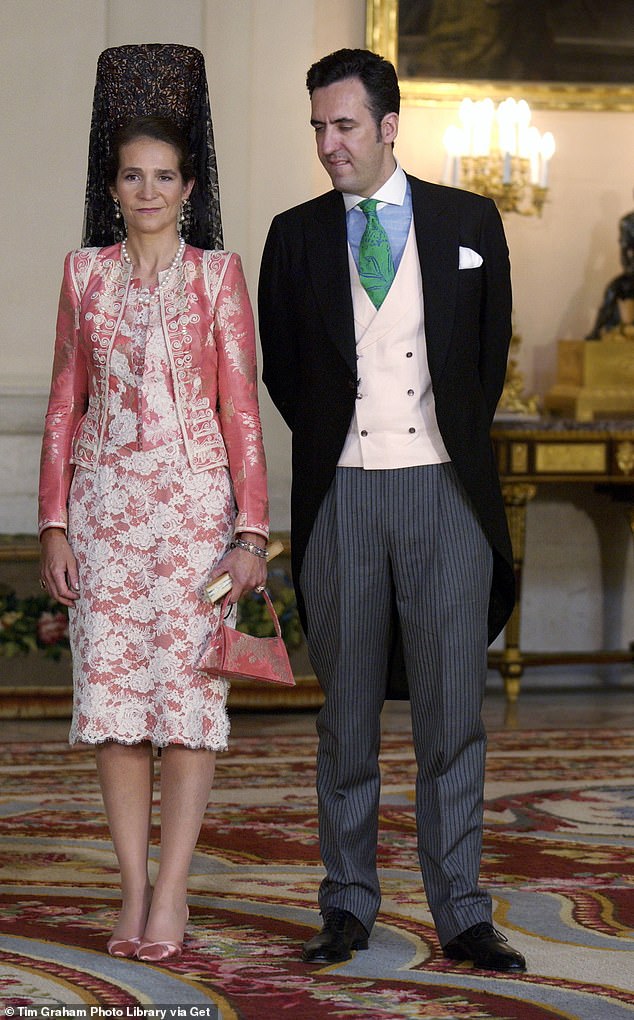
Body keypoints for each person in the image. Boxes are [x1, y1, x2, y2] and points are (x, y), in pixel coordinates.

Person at [258, 48, 525, 973]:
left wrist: (433, 447)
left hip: (445, 490)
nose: (328, 145)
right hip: (342, 495)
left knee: (453, 716)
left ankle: (461, 913)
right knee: (347, 722)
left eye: (343, 126)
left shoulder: (470, 219)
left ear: (387, 125)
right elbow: (286, 372)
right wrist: (349, 445)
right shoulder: (292, 236)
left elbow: (487, 360)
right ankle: (347, 905)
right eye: (318, 129)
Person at [38, 113, 269, 963]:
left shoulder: (218, 278)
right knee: (114, 710)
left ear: (190, 188)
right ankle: (133, 887)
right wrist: (54, 522)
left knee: (188, 706)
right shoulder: (82, 274)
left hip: (194, 520)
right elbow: (66, 403)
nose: (147, 192)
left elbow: (240, 411)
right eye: (132, 177)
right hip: (102, 516)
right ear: (112, 189)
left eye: (164, 177)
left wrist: (252, 534)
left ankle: (172, 891)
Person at [586, 206, 634, 338]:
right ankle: (597, 331)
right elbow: (624, 252)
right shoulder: (628, 222)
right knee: (612, 290)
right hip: (632, 272)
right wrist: (628, 270)